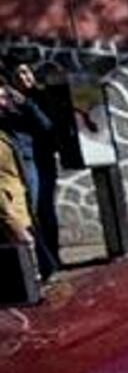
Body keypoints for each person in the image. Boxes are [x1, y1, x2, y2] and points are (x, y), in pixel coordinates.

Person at [0, 79, 55, 279]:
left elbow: (45, 125)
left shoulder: (15, 117)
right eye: (0, 99)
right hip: (10, 206)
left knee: (45, 265)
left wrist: (26, 103)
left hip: (23, 184)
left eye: (5, 97)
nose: (3, 102)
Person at [12, 63, 61, 267]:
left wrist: (27, 104)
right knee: (31, 209)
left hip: (43, 159)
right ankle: (43, 259)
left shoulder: (41, 97)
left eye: (26, 72)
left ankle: (53, 256)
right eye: (18, 74)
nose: (23, 77)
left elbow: (49, 125)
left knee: (45, 209)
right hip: (24, 159)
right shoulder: (10, 101)